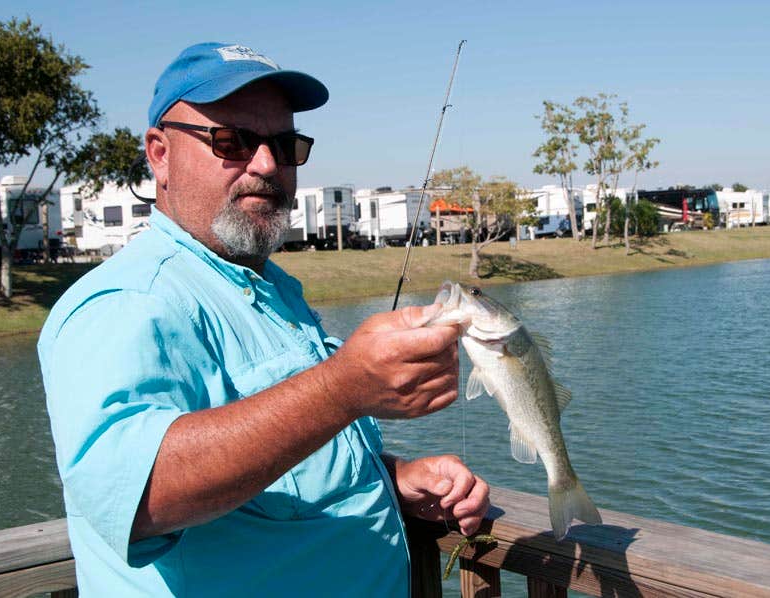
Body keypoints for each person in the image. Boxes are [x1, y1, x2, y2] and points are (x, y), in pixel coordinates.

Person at [38, 42, 489, 596]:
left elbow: (280, 456)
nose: (267, 164)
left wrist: (391, 477)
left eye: (285, 143)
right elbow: (139, 495)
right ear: (160, 154)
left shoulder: (271, 288)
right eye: (231, 141)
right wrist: (344, 387)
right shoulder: (126, 302)